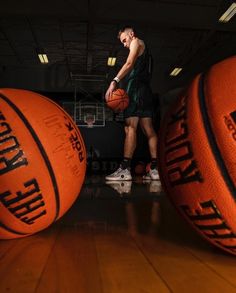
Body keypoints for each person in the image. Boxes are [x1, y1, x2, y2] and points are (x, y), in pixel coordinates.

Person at [105, 26, 159, 181]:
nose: (124, 44)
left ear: (131, 34)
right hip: (146, 91)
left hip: (135, 90)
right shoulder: (145, 50)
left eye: (124, 40)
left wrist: (114, 81)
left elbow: (129, 64)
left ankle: (124, 169)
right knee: (149, 130)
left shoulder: (136, 42)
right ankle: (155, 170)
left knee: (130, 128)